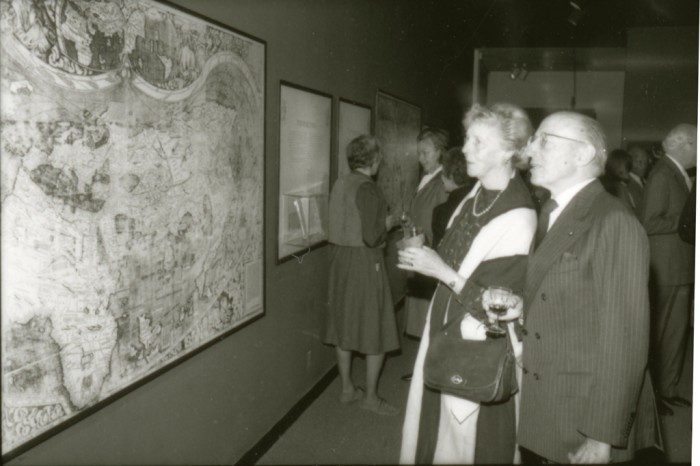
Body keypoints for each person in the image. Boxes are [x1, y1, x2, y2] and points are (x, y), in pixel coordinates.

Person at [399, 103, 536, 464]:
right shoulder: (476, 194)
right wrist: (428, 261)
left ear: (509, 151)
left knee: (471, 448)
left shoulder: (518, 214)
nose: (466, 149)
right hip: (447, 328)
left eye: (479, 141)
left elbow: (499, 309)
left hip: (477, 349)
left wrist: (440, 270)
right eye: (467, 138)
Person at [518, 112, 659, 464]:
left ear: (582, 155)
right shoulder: (552, 211)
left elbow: (624, 341)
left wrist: (601, 435)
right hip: (547, 393)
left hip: (581, 410)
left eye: (543, 140)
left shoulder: (614, 222)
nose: (530, 148)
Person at [323, 134, 400, 416]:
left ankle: (346, 389)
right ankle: (370, 397)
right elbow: (372, 236)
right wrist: (388, 223)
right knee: (375, 328)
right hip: (366, 263)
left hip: (339, 261)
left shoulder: (340, 182)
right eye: (379, 157)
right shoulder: (369, 188)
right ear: (374, 159)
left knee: (344, 325)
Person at [641, 123, 696, 416]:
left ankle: (670, 389)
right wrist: (687, 222)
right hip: (666, 269)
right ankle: (653, 397)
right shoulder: (663, 174)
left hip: (681, 268)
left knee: (675, 336)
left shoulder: (679, 174)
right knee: (661, 336)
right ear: (684, 145)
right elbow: (649, 222)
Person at [403, 129, 451, 340]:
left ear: (439, 151)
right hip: (417, 247)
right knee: (421, 314)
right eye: (419, 153)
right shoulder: (428, 177)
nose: (421, 158)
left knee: (430, 316)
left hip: (430, 250)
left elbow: (442, 222)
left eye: (426, 152)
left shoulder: (442, 182)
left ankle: (424, 369)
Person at [431, 146, 476, 247]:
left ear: (451, 177)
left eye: (443, 172)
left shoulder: (441, 212)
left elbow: (437, 253)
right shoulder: (479, 201)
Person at [600, 149, 637, 214]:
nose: (627, 176)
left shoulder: (602, 185)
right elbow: (627, 213)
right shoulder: (620, 188)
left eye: (627, 171)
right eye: (621, 173)